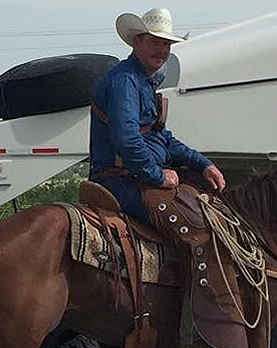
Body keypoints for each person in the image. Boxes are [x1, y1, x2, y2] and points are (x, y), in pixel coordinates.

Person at [89, 7, 226, 230]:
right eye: (155, 42)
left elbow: (161, 137)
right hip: (119, 180)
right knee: (193, 223)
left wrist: (203, 164)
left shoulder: (142, 81)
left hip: (135, 176)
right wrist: (158, 176)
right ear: (137, 42)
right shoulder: (125, 81)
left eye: (166, 45)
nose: (162, 50)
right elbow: (127, 139)